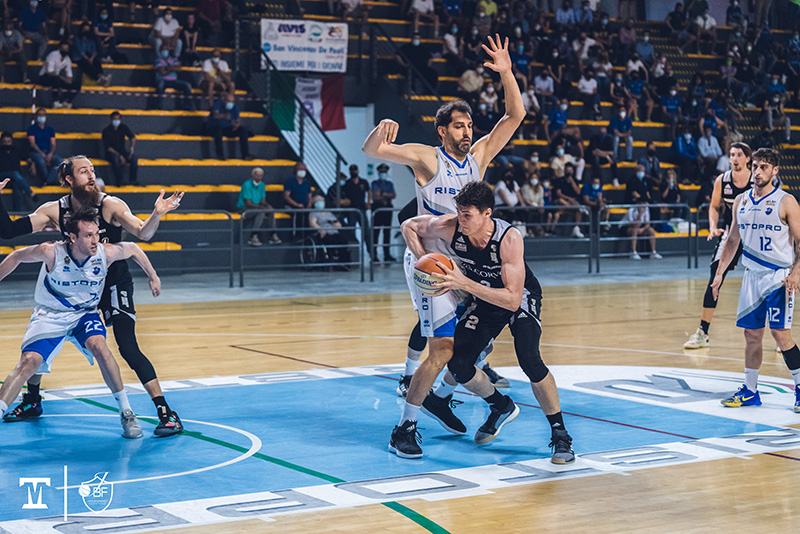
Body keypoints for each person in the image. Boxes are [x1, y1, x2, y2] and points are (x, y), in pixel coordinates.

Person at [362, 35, 522, 441]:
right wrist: (380, 131)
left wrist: (506, 73)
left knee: (476, 341)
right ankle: (407, 422)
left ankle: (440, 396)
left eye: (470, 125)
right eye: (459, 125)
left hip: (466, 263)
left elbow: (515, 114)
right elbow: (373, 150)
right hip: (429, 259)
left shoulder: (479, 157)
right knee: (442, 350)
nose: (467, 131)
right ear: (443, 130)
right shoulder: (427, 157)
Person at [0, 156, 185, 436]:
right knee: (43, 340)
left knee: (126, 346)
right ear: (69, 179)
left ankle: (164, 411)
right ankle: (32, 400)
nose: (90, 175)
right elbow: (9, 232)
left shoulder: (110, 204)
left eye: (93, 171)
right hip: (75, 282)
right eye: (84, 171)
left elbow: (141, 235)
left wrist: (157, 214)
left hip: (110, 279)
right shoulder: (55, 209)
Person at [399, 181, 576, 463]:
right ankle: (500, 406)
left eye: (467, 214)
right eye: (459, 212)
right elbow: (408, 224)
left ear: (487, 214)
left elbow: (512, 300)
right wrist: (426, 260)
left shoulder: (509, 238)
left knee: (529, 357)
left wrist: (463, 282)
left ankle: (561, 436)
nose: (461, 219)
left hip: (517, 296)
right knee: (459, 364)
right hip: (483, 297)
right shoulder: (452, 226)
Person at [712, 148, 800, 412]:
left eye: (764, 167)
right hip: (751, 276)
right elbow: (732, 240)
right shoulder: (741, 201)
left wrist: (796, 272)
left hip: (779, 276)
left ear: (775, 171)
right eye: (756, 166)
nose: (758, 172)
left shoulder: (787, 202)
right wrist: (719, 274)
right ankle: (751, 391)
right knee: (751, 335)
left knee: (780, 334)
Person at [684, 142, 752, 349]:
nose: (735, 158)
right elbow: (714, 206)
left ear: (748, 159)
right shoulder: (722, 181)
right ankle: (703, 332)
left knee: (767, 283)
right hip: (731, 233)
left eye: (739, 154)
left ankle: (779, 335)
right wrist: (713, 226)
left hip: (754, 235)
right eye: (732, 154)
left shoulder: (758, 180)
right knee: (715, 279)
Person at [237, 166, 280, 247]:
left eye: (261, 175)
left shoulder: (262, 185)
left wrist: (267, 206)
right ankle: (253, 236)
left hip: (256, 207)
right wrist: (262, 208)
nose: (259, 177)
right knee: (261, 212)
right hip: (244, 208)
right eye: (257, 175)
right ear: (253, 175)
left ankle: (273, 234)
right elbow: (248, 203)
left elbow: (262, 200)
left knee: (271, 211)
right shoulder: (247, 185)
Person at [309, 194, 351, 267]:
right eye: (318, 201)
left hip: (333, 231)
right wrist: (320, 230)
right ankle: (331, 260)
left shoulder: (328, 213)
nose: (321, 202)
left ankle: (345, 262)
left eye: (322, 201)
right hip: (324, 232)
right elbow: (313, 223)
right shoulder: (314, 213)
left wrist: (334, 223)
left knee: (343, 241)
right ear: (314, 203)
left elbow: (338, 224)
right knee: (330, 240)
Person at [39, 41, 82, 109]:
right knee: (57, 79)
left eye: (66, 49)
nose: (64, 50)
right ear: (59, 48)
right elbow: (50, 72)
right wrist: (64, 79)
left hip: (57, 78)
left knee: (76, 84)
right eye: (63, 48)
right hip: (44, 77)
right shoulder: (53, 55)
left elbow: (69, 74)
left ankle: (66, 101)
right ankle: (55, 102)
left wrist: (69, 81)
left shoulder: (68, 59)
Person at [27, 108, 64, 186]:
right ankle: (48, 180)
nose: (42, 117)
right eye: (40, 115)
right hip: (35, 152)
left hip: (48, 151)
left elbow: (53, 144)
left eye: (43, 115)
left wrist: (50, 153)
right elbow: (32, 144)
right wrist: (42, 153)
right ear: (36, 116)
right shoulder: (31, 129)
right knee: (41, 161)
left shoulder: (50, 129)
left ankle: (49, 180)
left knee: (60, 161)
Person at [208, 94, 250, 160]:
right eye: (228, 101)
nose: (230, 103)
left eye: (232, 101)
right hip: (215, 127)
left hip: (227, 128)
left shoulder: (234, 107)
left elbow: (238, 120)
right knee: (218, 130)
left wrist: (237, 125)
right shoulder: (218, 104)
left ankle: (246, 155)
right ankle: (220, 155)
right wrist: (223, 116)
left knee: (243, 130)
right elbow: (215, 115)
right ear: (224, 100)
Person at [102, 111, 138, 186]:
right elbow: (108, 147)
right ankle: (119, 180)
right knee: (115, 159)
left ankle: (133, 180)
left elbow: (132, 137)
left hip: (122, 151)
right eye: (115, 119)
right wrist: (120, 156)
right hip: (111, 153)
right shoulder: (106, 131)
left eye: (118, 119)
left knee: (134, 158)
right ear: (111, 120)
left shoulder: (123, 127)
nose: (116, 121)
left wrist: (131, 150)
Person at [0, 131, 34, 211]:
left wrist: (32, 164)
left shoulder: (16, 151)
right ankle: (30, 193)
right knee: (15, 174)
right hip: (2, 178)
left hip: (14, 180)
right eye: (5, 142)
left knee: (18, 189)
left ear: (11, 141)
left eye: (9, 141)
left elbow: (26, 157)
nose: (7, 144)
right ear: (1, 142)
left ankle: (18, 214)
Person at [154, 43, 194, 110]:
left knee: (187, 85)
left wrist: (166, 68)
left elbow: (178, 68)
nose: (165, 51)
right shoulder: (158, 59)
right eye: (163, 50)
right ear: (160, 50)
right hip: (163, 80)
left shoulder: (172, 59)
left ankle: (188, 105)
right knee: (160, 85)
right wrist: (172, 69)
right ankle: (159, 106)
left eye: (166, 49)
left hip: (174, 81)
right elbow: (161, 72)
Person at [371, 163, 397, 262]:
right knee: (376, 232)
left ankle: (387, 254)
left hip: (387, 209)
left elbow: (393, 195)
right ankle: (374, 255)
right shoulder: (374, 183)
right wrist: (386, 195)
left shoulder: (389, 184)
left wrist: (382, 194)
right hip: (377, 209)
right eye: (381, 172)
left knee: (387, 232)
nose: (383, 173)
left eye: (385, 172)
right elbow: (375, 196)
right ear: (378, 172)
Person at [73, 21, 112, 87]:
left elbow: (93, 50)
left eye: (87, 30)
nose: (86, 31)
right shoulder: (77, 38)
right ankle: (98, 78)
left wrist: (92, 58)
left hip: (89, 56)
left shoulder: (90, 39)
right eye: (84, 29)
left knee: (97, 61)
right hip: (79, 57)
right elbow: (80, 51)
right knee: (86, 64)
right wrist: (88, 59)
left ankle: (101, 76)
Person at [1, 18, 28, 83]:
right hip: (5, 53)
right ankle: (2, 78)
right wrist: (7, 52)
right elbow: (0, 49)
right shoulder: (1, 34)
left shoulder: (17, 34)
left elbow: (20, 48)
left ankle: (25, 77)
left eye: (10, 28)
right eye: (7, 28)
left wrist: (12, 52)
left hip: (16, 52)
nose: (8, 30)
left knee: (23, 58)